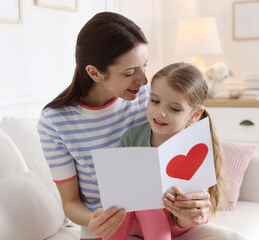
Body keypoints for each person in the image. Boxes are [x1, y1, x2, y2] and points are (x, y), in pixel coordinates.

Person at [37, 12, 212, 240]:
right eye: (130, 73)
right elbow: (70, 203)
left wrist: (199, 200)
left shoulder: (151, 100)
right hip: (108, 227)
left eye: (144, 66)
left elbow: (187, 153)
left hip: (163, 220)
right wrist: (94, 219)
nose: (144, 80)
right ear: (94, 73)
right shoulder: (55, 122)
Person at [111, 62, 227, 240]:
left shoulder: (196, 145)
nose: (160, 112)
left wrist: (186, 211)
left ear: (194, 115)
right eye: (155, 101)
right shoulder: (132, 137)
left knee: (145, 198)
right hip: (140, 220)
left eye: (174, 108)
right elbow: (118, 191)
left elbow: (194, 206)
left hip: (183, 222)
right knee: (134, 195)